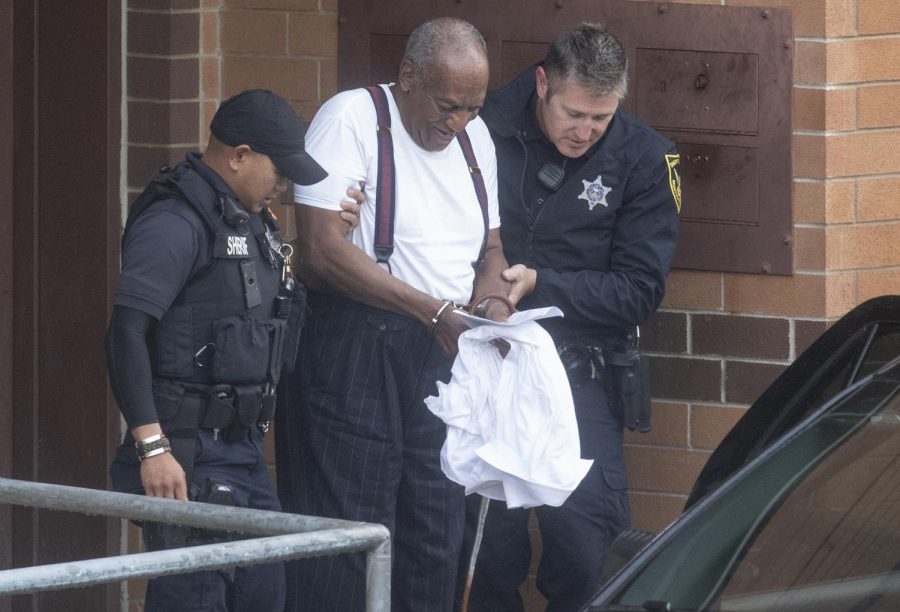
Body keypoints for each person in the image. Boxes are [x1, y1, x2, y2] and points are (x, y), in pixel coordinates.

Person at [274, 17, 511, 612]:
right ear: (408, 76)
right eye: (448, 105)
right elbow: (322, 254)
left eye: (473, 109)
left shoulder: (475, 140)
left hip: (443, 347)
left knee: (435, 526)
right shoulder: (352, 118)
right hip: (357, 344)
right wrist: (432, 311)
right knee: (350, 525)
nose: (458, 123)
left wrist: (494, 307)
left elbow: (491, 248)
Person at [106, 89, 360, 612]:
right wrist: (153, 448)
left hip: (240, 452)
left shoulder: (245, 219)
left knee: (263, 592)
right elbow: (125, 333)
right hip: (187, 453)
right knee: (195, 596)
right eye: (280, 171)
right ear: (239, 156)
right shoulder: (176, 222)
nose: (284, 186)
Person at [460, 23, 681, 612]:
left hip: (580, 375)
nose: (584, 131)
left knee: (589, 555)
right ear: (541, 85)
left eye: (601, 119)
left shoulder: (646, 157)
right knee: (481, 556)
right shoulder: (481, 126)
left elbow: (639, 290)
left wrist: (543, 284)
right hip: (488, 367)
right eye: (574, 113)